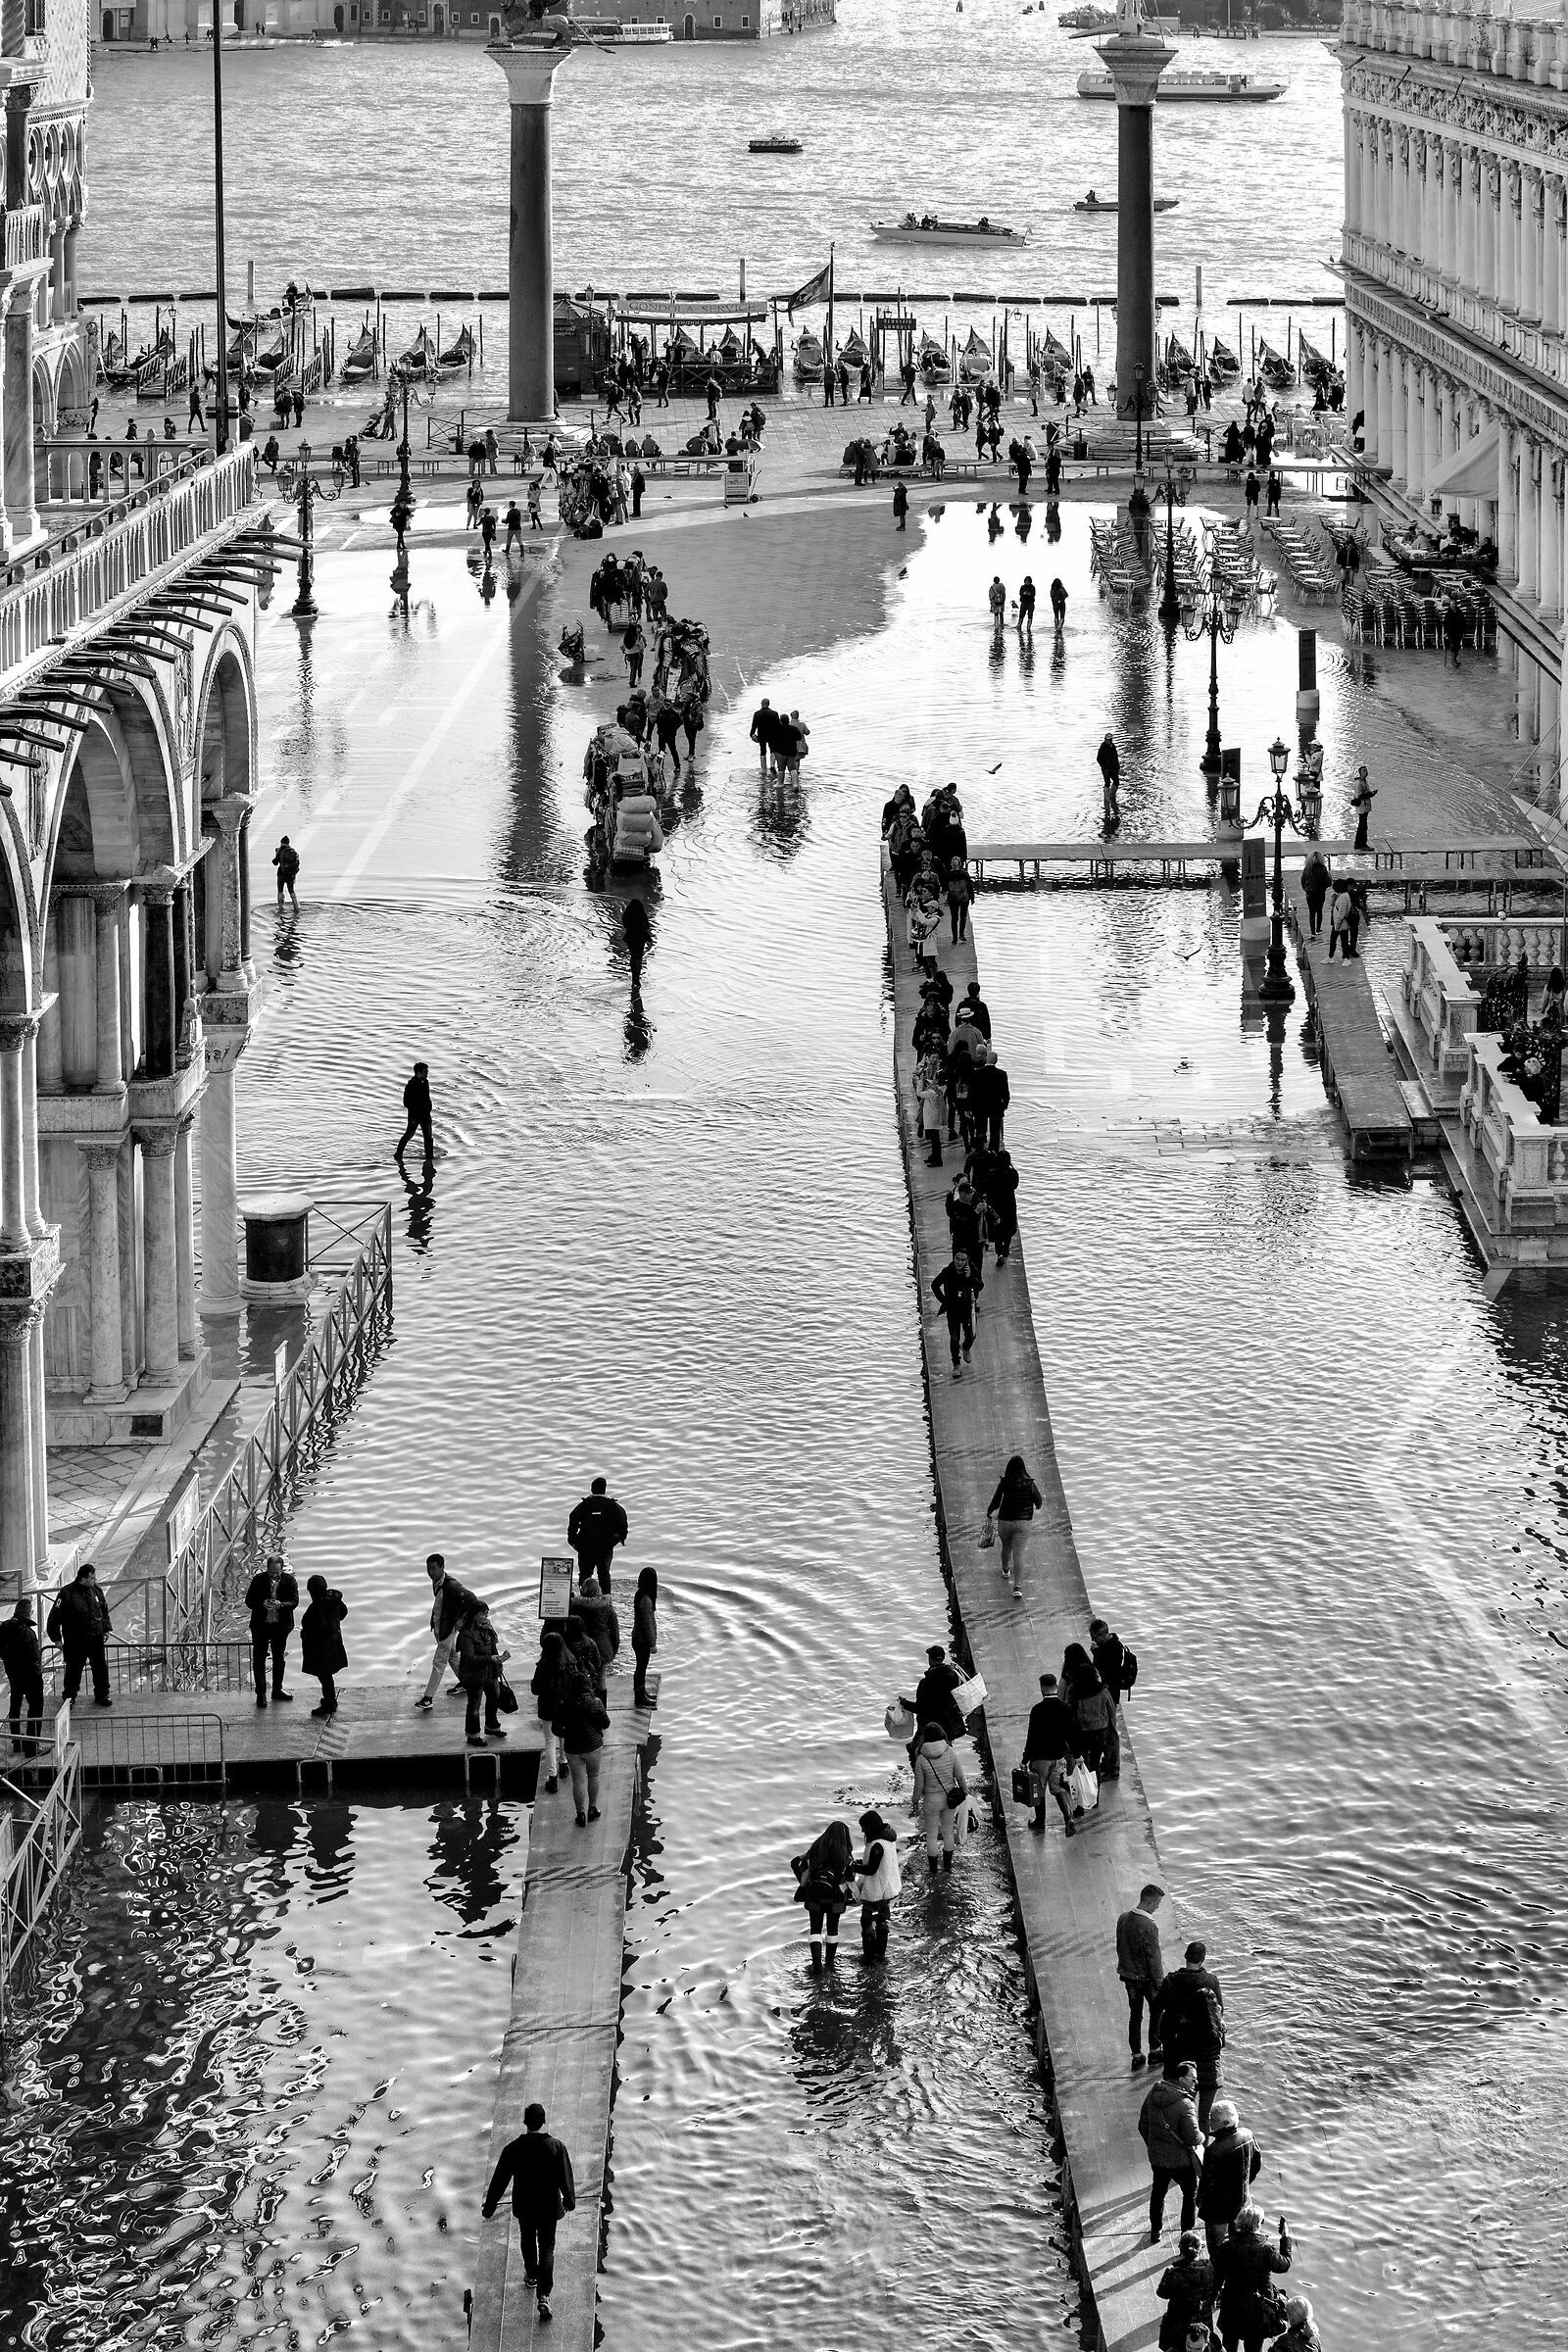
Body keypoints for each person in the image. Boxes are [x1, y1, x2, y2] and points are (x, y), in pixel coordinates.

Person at [481, 2100, 576, 2328]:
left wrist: (490, 2207)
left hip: (525, 2206)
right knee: (547, 2246)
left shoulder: (513, 2149)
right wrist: (569, 2201)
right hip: (548, 2206)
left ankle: (532, 2275)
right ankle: (544, 2295)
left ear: (525, 2122)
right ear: (544, 2121)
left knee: (527, 2239)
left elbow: (500, 2179)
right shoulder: (556, 2147)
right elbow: (564, 2176)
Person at [1159, 1939, 1226, 2129]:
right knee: (1205, 2116)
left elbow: (1158, 2010)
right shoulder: (1217, 2027)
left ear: (1186, 1956)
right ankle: (1202, 2144)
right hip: (1211, 2075)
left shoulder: (1171, 1982)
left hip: (1188, 2068)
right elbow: (1221, 2039)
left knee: (1184, 2110)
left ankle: (1188, 2139)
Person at [1139, 2060, 1203, 2244]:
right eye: (1193, 2079)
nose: (1195, 2083)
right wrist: (1203, 2137)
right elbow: (1193, 2138)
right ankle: (1187, 2236)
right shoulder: (1185, 2104)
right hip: (1181, 2162)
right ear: (1181, 2079)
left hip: (1158, 2158)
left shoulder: (1154, 2093)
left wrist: (1153, 2145)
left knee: (1158, 2192)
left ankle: (1156, 2231)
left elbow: (1142, 2125)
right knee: (1190, 2194)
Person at [1214, 2205, 1291, 2352]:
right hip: (1258, 2308)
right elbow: (1284, 2265)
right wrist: (1285, 2237)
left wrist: (1211, 2297)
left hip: (1232, 2304)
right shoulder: (1267, 2249)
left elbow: (1218, 2276)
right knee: (1254, 2347)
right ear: (1258, 2224)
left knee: (1229, 2344)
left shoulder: (1226, 2247)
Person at [1198, 2099, 1263, 2260]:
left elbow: (1208, 2184)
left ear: (1225, 2123)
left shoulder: (1214, 2151)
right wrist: (1245, 2184)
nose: (1210, 2123)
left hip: (1219, 2210)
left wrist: (1200, 2203)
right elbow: (1257, 2163)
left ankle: (1217, 2269)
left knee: (1216, 2246)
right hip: (1242, 2201)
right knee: (1239, 2240)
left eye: (1214, 2120)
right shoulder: (1248, 2135)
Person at [791, 1821, 857, 1973]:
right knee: (833, 1929)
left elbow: (796, 1863)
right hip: (836, 1897)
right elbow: (850, 1879)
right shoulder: (846, 1856)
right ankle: (830, 1964)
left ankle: (817, 1967)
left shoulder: (815, 1851)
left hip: (815, 1895)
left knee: (815, 1928)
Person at [416, 1551, 475, 1711]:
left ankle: (428, 1698)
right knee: (452, 1656)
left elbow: (472, 1600)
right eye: (428, 1569)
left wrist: (461, 1620)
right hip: (441, 1627)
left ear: (442, 1567)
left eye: (434, 1569)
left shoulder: (451, 1585)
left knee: (439, 1661)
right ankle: (466, 1682)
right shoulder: (437, 1581)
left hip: (447, 1629)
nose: (430, 1573)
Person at [48, 1561, 112, 1707]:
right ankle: (69, 1698)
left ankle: (102, 1694)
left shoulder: (96, 1589)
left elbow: (103, 1609)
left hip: (95, 1638)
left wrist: (106, 1628)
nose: (95, 1580)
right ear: (83, 1579)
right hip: (75, 1641)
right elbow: (54, 1617)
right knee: (73, 1671)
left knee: (100, 1669)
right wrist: (56, 1638)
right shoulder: (66, 1593)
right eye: (92, 1578)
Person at [1021, 1670, 1077, 1834]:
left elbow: (1032, 1737)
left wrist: (1025, 1759)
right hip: (1059, 1757)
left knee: (1039, 1790)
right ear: (1055, 1687)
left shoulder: (1037, 1710)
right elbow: (1071, 1735)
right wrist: (1076, 1754)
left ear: (1042, 1688)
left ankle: (1039, 1822)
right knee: (1058, 1788)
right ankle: (1068, 1818)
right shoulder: (1066, 1708)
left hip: (1040, 1758)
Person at [1117, 1882, 1166, 2067]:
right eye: (1157, 1904)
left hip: (1129, 1977)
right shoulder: (1149, 1926)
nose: (1157, 1907)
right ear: (1149, 1902)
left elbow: (1120, 1947)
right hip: (1147, 1980)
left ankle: (1136, 2055)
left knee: (1135, 2015)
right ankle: (1155, 2051)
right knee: (1156, 2012)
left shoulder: (1123, 1918)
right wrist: (1160, 1983)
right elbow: (1154, 1958)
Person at [984, 1452, 1044, 1600]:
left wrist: (989, 1512)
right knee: (1019, 1553)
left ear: (1008, 1468)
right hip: (1023, 1523)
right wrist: (1037, 1506)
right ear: (1023, 1468)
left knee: (1006, 1548)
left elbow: (996, 1500)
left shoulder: (1004, 1482)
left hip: (1005, 1521)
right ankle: (1017, 1587)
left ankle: (1005, 1571)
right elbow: (1038, 1500)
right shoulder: (1029, 1483)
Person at [912, 1720, 968, 1874]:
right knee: (948, 1832)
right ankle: (947, 1867)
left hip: (931, 1801)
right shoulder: (950, 1752)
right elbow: (959, 1775)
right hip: (950, 1798)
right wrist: (965, 1791)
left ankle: (933, 1871)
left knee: (931, 1835)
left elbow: (919, 1785)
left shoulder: (921, 1758)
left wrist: (915, 1801)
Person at [245, 1552, 298, 1709]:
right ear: (267, 1569)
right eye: (271, 1572)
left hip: (280, 1626)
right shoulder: (258, 1580)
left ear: (282, 1569)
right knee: (259, 1659)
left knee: (279, 1658)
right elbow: (249, 1601)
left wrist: (281, 1605)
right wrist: (262, 1604)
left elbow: (294, 1602)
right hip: (261, 1625)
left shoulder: (290, 1580)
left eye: (277, 1573)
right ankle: (261, 1693)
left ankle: (277, 1689)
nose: (274, 1575)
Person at [1089, 1613, 1136, 1777]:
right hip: (1107, 1693)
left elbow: (1108, 1671)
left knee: (1110, 1733)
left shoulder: (1114, 1648)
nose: (1093, 1640)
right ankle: (1108, 1761)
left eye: (1094, 1637)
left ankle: (1112, 1769)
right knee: (1106, 1731)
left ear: (1103, 1634)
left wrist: (1096, 1653)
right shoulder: (1108, 1646)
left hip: (1110, 1695)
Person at [456, 1597, 507, 1747]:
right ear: (473, 1615)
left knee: (494, 1698)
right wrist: (490, 1658)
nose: (485, 1617)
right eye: (482, 1614)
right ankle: (473, 1735)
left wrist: (498, 1662)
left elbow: (493, 1647)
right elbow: (469, 1658)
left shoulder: (487, 1628)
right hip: (474, 1674)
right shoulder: (465, 1634)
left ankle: (492, 1726)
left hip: (490, 1671)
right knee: (474, 1705)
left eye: (486, 1614)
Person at [562, 1665, 610, 1826]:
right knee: (593, 1776)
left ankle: (580, 1815)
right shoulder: (596, 1702)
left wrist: (568, 1733)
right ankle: (592, 1808)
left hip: (573, 1748)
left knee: (578, 1781)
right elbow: (606, 1723)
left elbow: (556, 1729)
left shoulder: (565, 1704)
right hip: (593, 1745)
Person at [852, 1808, 901, 1960]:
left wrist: (853, 1867)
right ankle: (880, 1956)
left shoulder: (877, 1845)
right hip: (887, 1888)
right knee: (881, 1921)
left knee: (867, 1922)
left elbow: (871, 1869)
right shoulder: (887, 1840)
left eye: (863, 1827)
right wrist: (859, 1863)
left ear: (870, 1827)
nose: (862, 1831)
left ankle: (868, 1957)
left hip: (876, 1890)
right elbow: (878, 1864)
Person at [567, 1475, 629, 1593]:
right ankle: (606, 1598)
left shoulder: (583, 1506)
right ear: (605, 1489)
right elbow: (623, 1524)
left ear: (591, 1489)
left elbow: (573, 1521)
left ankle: (584, 1598)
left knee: (585, 1574)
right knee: (604, 1574)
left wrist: (573, 1541)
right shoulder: (613, 1506)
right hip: (605, 1547)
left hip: (585, 1547)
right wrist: (618, 1539)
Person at [1156, 2232, 1217, 2352]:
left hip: (1180, 2321)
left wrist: (1167, 2274)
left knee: (1179, 2347)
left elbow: (1162, 2293)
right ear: (1199, 2249)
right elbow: (1213, 2289)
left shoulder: (1175, 2273)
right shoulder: (1209, 2267)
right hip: (1203, 2318)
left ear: (1181, 2249)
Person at [1059, 1641, 1113, 1773]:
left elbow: (1066, 1707)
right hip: (1100, 1731)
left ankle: (1081, 1782)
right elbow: (1111, 1710)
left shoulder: (1074, 1692)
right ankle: (1095, 1784)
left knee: (1082, 1762)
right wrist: (1110, 1728)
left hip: (1082, 1731)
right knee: (1095, 1764)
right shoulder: (1102, 1689)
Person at [0, 1596, 43, 1756]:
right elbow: (34, 1658)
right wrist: (38, 1674)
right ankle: (32, 1746)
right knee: (35, 1709)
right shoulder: (28, 1632)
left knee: (15, 1705)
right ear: (29, 1613)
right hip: (31, 1676)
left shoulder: (4, 1627)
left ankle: (17, 1741)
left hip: (13, 1673)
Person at [300, 1575, 347, 1718]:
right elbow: (343, 1612)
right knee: (327, 1675)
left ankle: (330, 1703)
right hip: (334, 1643)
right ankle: (329, 1699)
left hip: (321, 1648)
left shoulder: (316, 1607)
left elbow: (314, 1629)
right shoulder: (334, 1601)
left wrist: (304, 1635)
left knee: (324, 1676)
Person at [931, 1248, 978, 1378]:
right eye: (957, 1259)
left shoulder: (971, 1271)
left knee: (971, 1335)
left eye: (963, 1260)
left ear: (967, 1261)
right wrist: (944, 1301)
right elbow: (935, 1285)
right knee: (954, 1338)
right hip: (953, 1310)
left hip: (968, 1309)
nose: (959, 1262)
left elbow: (980, 1286)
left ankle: (966, 1347)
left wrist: (970, 1277)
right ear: (954, 1258)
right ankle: (956, 1365)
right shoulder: (947, 1272)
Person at [395, 1060, 433, 1164]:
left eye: (427, 1071)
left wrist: (428, 1108)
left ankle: (429, 1158)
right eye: (425, 1071)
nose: (427, 1073)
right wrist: (417, 1109)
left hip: (426, 1115)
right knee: (409, 1134)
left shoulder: (426, 1082)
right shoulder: (411, 1085)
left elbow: (427, 1098)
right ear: (418, 1072)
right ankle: (398, 1154)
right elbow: (406, 1103)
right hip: (415, 1115)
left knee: (428, 1137)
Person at [631, 1565, 658, 1708]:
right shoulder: (646, 1600)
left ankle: (642, 1693)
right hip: (642, 1641)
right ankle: (640, 1697)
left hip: (638, 1638)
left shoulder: (640, 1594)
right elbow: (647, 1624)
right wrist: (652, 1643)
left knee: (641, 1668)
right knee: (641, 1668)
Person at [623, 897, 651, 995]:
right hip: (641, 938)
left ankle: (633, 977)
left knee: (633, 956)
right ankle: (637, 978)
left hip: (630, 937)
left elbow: (625, 924)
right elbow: (647, 926)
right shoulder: (642, 913)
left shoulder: (628, 913)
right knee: (638, 958)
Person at [1300, 850, 1329, 939]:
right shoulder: (1323, 869)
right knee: (1319, 910)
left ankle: (1312, 932)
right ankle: (1318, 929)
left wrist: (1306, 889)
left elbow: (1303, 880)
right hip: (1320, 893)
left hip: (1310, 893)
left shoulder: (1307, 869)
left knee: (1311, 912)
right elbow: (1327, 882)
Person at [946, 857, 974, 945]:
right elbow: (969, 885)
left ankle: (959, 935)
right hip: (956, 898)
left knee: (960, 917)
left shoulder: (961, 874)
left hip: (960, 897)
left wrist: (972, 897)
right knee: (957, 917)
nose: (953, 865)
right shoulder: (961, 873)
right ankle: (957, 936)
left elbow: (969, 886)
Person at [1097, 731, 1121, 828]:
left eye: (1111, 739)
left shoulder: (1113, 747)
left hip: (1114, 768)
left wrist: (1118, 768)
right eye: (1108, 740)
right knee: (1107, 783)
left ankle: (1112, 795)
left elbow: (1116, 758)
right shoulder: (1102, 748)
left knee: (1116, 782)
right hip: (1106, 769)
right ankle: (1106, 799)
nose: (1110, 741)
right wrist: (1104, 767)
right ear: (1105, 740)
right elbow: (1099, 759)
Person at [1350, 762, 1377, 849]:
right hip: (1362, 807)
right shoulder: (1358, 783)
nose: (1366, 772)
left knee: (1364, 825)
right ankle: (1360, 843)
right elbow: (1359, 796)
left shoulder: (1365, 782)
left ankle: (1361, 843)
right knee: (1362, 826)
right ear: (1360, 772)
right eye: (1364, 771)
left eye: (1366, 770)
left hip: (1365, 807)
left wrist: (1372, 793)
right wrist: (1370, 794)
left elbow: (1366, 792)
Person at [271, 834, 300, 908]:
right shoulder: (293, 851)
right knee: (292, 891)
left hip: (281, 874)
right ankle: (297, 907)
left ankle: (281, 908)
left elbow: (275, 862)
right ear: (288, 843)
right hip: (290, 875)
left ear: (281, 843)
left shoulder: (280, 851)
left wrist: (277, 854)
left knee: (280, 890)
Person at [750, 697, 778, 770]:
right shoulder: (774, 714)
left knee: (763, 751)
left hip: (761, 735)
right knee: (773, 750)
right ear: (768, 704)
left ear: (762, 704)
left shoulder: (757, 714)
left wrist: (752, 735)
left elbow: (754, 726)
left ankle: (764, 769)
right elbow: (778, 727)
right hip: (773, 735)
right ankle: (772, 765)